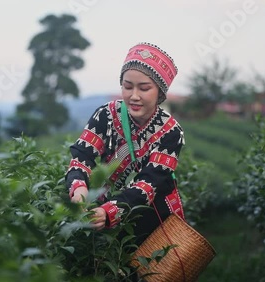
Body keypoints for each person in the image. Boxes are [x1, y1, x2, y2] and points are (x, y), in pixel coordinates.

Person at [65, 42, 185, 246]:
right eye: (127, 87)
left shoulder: (171, 132)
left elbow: (148, 185)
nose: (134, 96)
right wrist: (78, 188)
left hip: (149, 224)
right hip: (99, 216)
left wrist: (109, 211)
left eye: (144, 88)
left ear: (160, 92)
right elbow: (82, 155)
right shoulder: (106, 115)